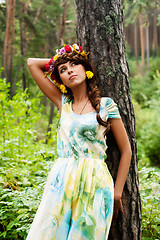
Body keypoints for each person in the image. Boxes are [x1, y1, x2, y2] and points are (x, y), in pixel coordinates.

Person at [26, 44, 132, 240]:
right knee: (47, 233)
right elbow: (32, 63)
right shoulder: (63, 102)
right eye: (63, 70)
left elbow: (126, 150)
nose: (70, 70)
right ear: (61, 80)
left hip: (95, 182)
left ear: (86, 68)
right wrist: (58, 60)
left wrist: (117, 193)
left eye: (75, 64)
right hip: (62, 180)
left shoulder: (106, 105)